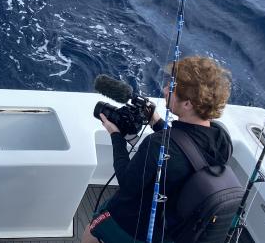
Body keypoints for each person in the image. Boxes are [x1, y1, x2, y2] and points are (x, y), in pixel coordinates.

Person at [82, 56, 232, 243]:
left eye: (172, 88)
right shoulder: (221, 138)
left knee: (90, 233)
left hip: (136, 226)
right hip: (173, 229)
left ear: (187, 104)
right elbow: (187, 149)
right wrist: (156, 121)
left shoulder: (158, 144)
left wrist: (116, 135)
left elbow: (127, 183)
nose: (165, 90)